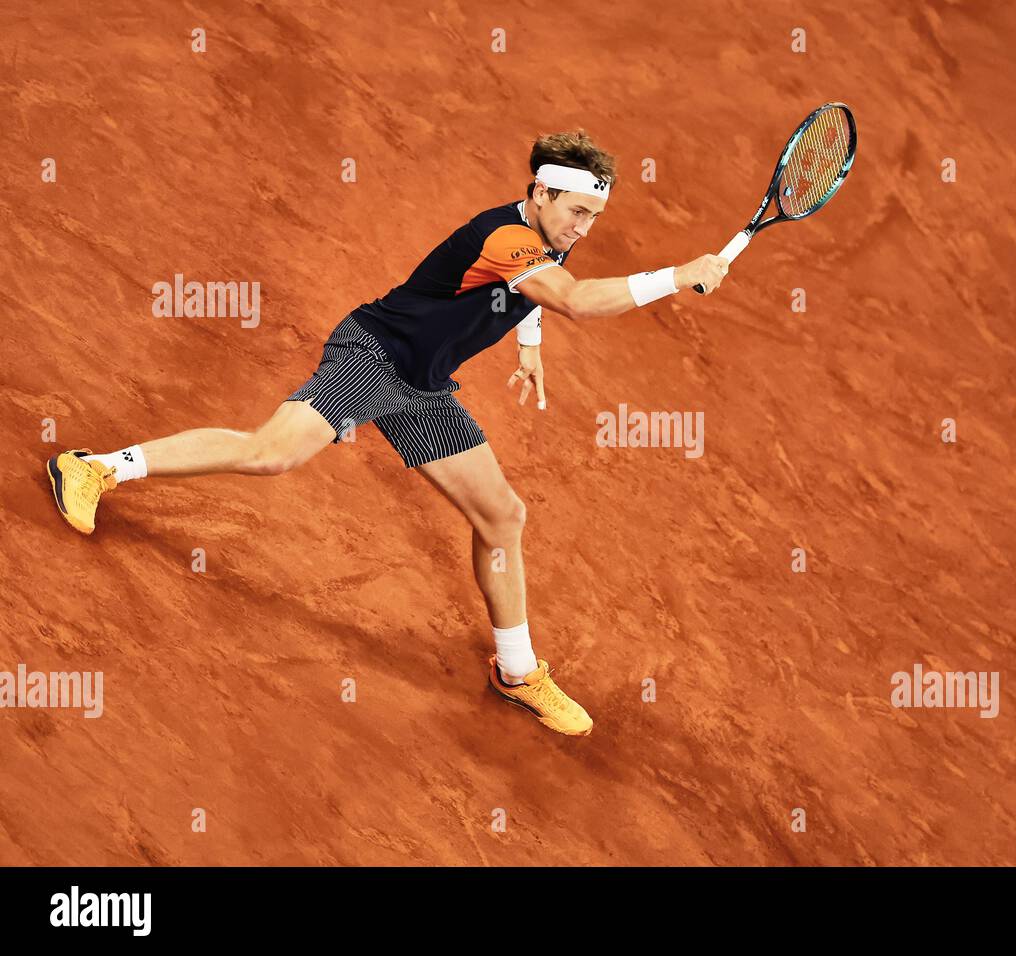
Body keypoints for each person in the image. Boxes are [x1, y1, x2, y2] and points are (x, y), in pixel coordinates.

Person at [44, 130, 730, 737]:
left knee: (501, 515)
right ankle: (96, 466)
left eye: (595, 216)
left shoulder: (536, 237)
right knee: (270, 454)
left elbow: (536, 294)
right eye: (577, 210)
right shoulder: (505, 238)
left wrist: (529, 342)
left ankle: (518, 673)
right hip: (374, 357)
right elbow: (575, 298)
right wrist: (678, 275)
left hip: (422, 387)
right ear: (541, 192)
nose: (584, 226)